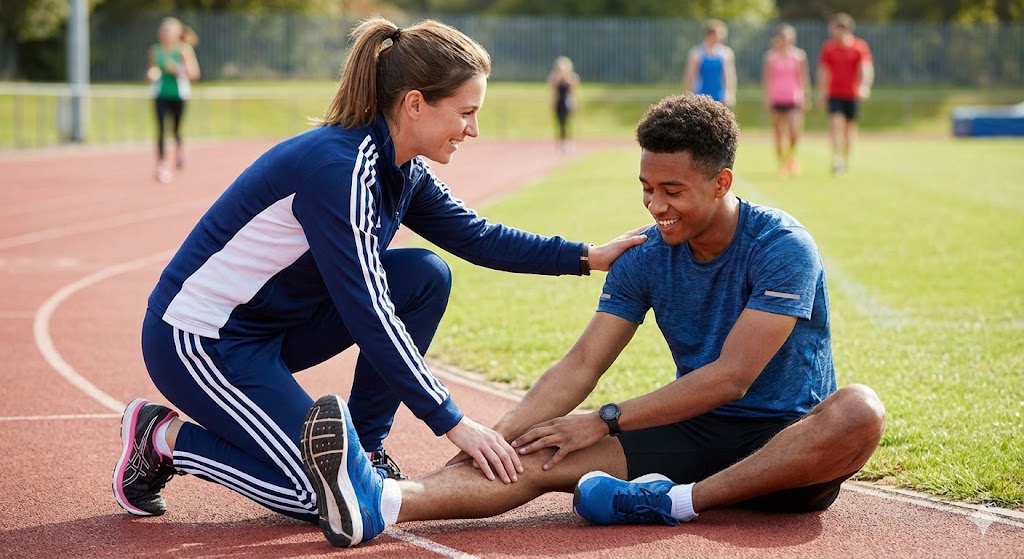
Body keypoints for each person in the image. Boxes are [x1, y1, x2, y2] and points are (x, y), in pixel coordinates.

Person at [111, 16, 647, 521]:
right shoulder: (338, 171)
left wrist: (586, 257)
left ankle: (365, 447)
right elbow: (367, 309)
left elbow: (477, 237)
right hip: (202, 340)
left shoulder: (400, 168)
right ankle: (164, 441)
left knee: (423, 277)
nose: (473, 129)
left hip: (274, 329)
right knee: (315, 495)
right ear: (415, 104)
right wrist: (452, 421)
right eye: (465, 112)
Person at [298, 93, 887, 547]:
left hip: (788, 447)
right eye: (647, 188)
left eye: (673, 191)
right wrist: (496, 441)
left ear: (721, 182)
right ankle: (378, 501)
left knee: (859, 409)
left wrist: (605, 420)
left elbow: (732, 377)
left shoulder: (782, 246)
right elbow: (581, 364)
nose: (657, 206)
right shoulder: (646, 257)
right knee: (535, 452)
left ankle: (675, 502)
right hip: (697, 432)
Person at [816, 12, 874, 176]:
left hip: (852, 95)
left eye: (836, 29)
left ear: (845, 29)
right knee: (836, 125)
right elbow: (824, 70)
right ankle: (837, 160)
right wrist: (822, 92)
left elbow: (866, 68)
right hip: (835, 94)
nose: (833, 33)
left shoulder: (858, 46)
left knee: (849, 131)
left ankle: (845, 159)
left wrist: (864, 86)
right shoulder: (829, 47)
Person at [146, 17, 201, 183]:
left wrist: (176, 69)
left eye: (169, 31)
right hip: (160, 94)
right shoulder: (155, 50)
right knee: (161, 129)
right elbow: (151, 70)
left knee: (176, 129)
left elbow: (194, 74)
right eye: (163, 31)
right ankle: (161, 165)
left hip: (179, 95)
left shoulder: (184, 50)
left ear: (177, 33)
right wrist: (150, 74)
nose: (166, 34)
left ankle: (180, 150)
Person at [762, 23, 811, 177]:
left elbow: (803, 77)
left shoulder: (799, 56)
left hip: (794, 98)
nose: (784, 41)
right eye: (781, 38)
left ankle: (791, 157)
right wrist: (767, 97)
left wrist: (806, 95)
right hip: (777, 97)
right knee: (778, 132)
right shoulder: (770, 57)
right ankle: (781, 163)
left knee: (794, 132)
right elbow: (767, 79)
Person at [682, 19, 737, 107]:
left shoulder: (726, 53)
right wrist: (688, 95)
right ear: (711, 34)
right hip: (700, 95)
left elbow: (729, 75)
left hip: (720, 96)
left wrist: (729, 94)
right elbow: (690, 76)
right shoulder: (697, 53)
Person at [546, 56, 581, 152]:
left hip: (567, 101)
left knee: (567, 122)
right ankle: (560, 142)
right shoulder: (554, 78)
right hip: (559, 101)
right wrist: (552, 103)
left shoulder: (571, 77)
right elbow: (553, 91)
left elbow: (573, 91)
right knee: (559, 122)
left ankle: (568, 142)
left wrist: (575, 103)